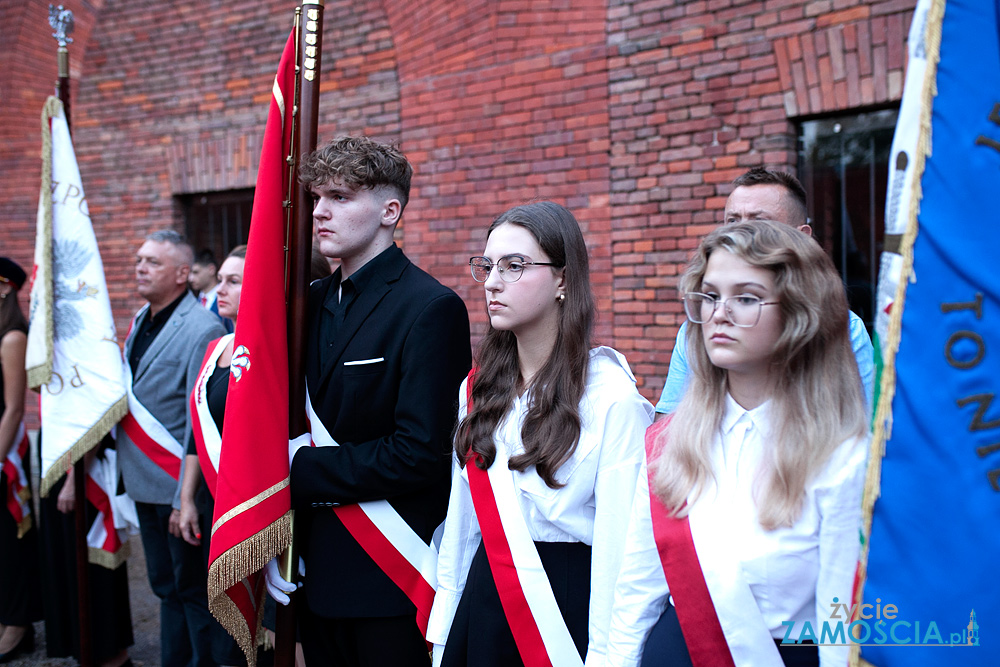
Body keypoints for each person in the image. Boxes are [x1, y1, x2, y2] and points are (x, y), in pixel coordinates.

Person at [607, 220, 869, 667]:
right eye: (709, 296)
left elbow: (840, 623)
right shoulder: (667, 445)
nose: (719, 313)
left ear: (798, 314)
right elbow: (635, 596)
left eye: (745, 298)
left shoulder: (842, 454)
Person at [426, 202, 654, 666]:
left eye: (514, 266)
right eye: (487, 265)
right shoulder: (477, 389)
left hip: (567, 605)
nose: (491, 282)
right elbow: (462, 523)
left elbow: (622, 551)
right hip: (483, 598)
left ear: (564, 280)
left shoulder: (612, 400)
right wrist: (445, 626)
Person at [276, 136, 472, 666]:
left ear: (391, 211)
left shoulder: (430, 307)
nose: (320, 212)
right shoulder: (308, 302)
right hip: (309, 567)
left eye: (340, 197)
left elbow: (420, 453)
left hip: (387, 575)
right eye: (317, 198)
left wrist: (301, 469)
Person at [655, 167, 874, 415]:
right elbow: (666, 426)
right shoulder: (697, 328)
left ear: (802, 237)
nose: (741, 234)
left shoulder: (844, 329)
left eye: (760, 223)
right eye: (732, 221)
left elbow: (867, 429)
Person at [117, 230, 226, 667]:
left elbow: (194, 417)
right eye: (140, 259)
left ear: (183, 274)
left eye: (152, 262)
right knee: (164, 586)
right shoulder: (142, 317)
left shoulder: (202, 328)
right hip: (143, 479)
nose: (140, 268)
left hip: (180, 485)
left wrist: (185, 497)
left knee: (191, 591)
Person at [177, 245, 248, 666]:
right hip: (209, 496)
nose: (219, 288)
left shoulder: (271, 350)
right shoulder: (215, 346)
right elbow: (196, 432)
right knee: (209, 608)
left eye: (233, 281)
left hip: (244, 500)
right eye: (219, 278)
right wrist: (186, 498)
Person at [0, 257, 42, 663]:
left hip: (4, 451)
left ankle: (18, 624)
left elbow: (14, 408)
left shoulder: (12, 335)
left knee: (7, 541)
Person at [190, 250, 234, 333]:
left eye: (196, 272)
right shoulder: (194, 302)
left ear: (211, 269)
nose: (191, 278)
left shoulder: (228, 300)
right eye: (190, 273)